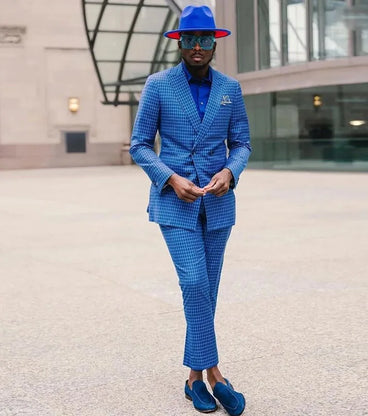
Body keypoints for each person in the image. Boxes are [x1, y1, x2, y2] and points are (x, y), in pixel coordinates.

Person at [130, 5, 251, 415]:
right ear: (179, 42)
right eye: (190, 39)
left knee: (207, 292)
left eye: (204, 39)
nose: (197, 47)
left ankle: (193, 379)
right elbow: (140, 144)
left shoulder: (230, 89)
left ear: (214, 42)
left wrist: (230, 173)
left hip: (218, 205)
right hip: (174, 205)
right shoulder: (158, 85)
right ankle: (216, 374)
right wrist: (170, 178)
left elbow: (243, 144)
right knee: (195, 283)